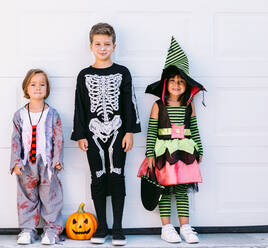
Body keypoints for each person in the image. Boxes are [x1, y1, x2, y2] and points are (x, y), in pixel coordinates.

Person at [71, 23, 141, 246]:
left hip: (119, 129)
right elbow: (79, 106)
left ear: (114, 46)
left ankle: (118, 228)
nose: (103, 48)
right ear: (91, 46)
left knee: (117, 174)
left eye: (107, 44)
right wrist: (80, 134)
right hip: (92, 131)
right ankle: (101, 227)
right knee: (98, 175)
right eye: (98, 44)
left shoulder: (122, 72)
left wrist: (129, 131)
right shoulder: (84, 75)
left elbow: (130, 103)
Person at [138, 37, 206, 244]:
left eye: (181, 81)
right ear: (166, 84)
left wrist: (200, 150)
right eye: (173, 81)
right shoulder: (159, 106)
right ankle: (166, 227)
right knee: (165, 191)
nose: (177, 84)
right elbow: (151, 132)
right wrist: (150, 153)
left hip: (185, 152)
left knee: (182, 191)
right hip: (164, 154)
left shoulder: (189, 106)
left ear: (187, 86)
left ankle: (185, 227)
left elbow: (193, 129)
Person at [10, 69, 64, 245]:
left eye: (42, 84)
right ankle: (27, 230)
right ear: (26, 88)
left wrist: (57, 160)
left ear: (47, 89)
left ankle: (52, 231)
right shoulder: (19, 115)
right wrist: (16, 162)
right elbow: (15, 139)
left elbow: (58, 138)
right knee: (26, 197)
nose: (38, 88)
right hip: (26, 164)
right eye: (33, 84)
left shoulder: (52, 114)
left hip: (47, 164)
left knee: (50, 197)